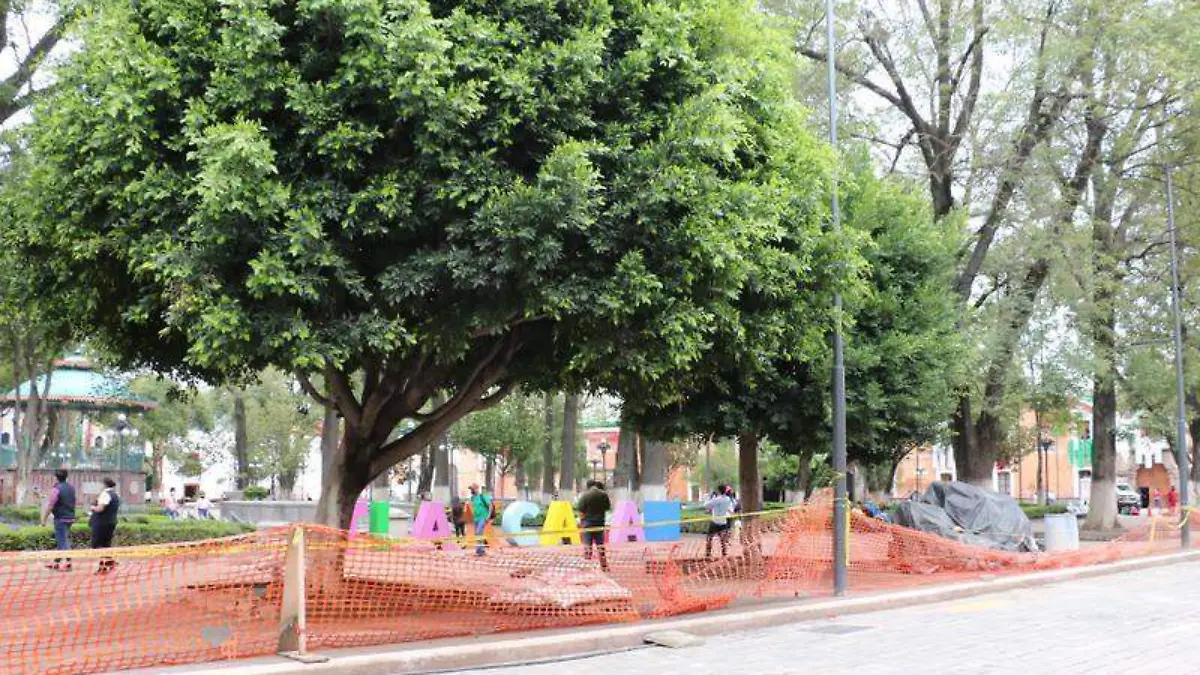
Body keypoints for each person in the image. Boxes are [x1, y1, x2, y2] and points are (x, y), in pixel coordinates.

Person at [40, 469, 76, 571]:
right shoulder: (72, 488)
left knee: (63, 541)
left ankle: (68, 563)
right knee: (62, 539)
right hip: (70, 517)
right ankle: (56, 562)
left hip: (60, 518)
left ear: (56, 477)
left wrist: (44, 520)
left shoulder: (56, 489)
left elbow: (50, 505)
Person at [575, 480, 611, 571]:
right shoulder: (603, 495)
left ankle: (587, 566)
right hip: (599, 523)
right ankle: (604, 565)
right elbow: (607, 507)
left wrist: (582, 521)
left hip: (587, 524)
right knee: (600, 545)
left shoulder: (585, 495)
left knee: (587, 545)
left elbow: (581, 511)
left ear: (588, 486)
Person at [90, 477, 121, 574]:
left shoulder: (105, 494)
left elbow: (100, 509)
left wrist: (93, 507)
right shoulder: (115, 494)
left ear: (104, 484)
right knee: (106, 544)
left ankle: (103, 566)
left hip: (102, 523)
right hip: (111, 522)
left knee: (98, 545)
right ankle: (109, 562)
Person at [704, 484, 735, 560]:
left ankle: (708, 554)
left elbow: (706, 505)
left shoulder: (717, 499)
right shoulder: (727, 499)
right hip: (723, 522)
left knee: (709, 538)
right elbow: (730, 509)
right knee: (723, 540)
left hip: (715, 522)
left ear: (718, 491)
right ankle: (724, 554)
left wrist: (709, 497)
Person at [468, 484, 492, 556]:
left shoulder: (483, 496)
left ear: (477, 489)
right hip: (476, 518)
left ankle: (481, 550)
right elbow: (474, 508)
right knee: (477, 534)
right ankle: (479, 550)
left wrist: (488, 516)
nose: (471, 491)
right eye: (471, 489)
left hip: (483, 517)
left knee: (479, 532)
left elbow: (490, 506)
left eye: (472, 489)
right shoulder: (473, 498)